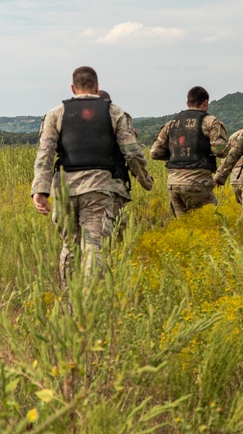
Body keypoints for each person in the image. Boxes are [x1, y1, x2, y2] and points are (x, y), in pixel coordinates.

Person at [30, 66, 154, 291]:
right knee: (92, 245)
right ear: (97, 88)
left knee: (69, 245)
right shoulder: (114, 112)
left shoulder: (56, 114)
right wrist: (144, 179)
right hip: (98, 187)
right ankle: (88, 300)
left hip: (65, 189)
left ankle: (70, 299)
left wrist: (40, 190)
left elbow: (45, 153)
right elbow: (132, 152)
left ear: (72, 87)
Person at [150, 86, 229, 217]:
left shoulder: (172, 123)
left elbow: (154, 152)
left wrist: (176, 154)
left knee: (182, 224)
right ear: (205, 102)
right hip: (198, 181)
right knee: (209, 223)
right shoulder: (210, 122)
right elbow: (220, 150)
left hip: (173, 183)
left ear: (187, 103)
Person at [97, 90, 134, 223]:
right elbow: (132, 152)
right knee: (116, 227)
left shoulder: (73, 118)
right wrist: (143, 177)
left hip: (75, 185)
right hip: (113, 181)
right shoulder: (119, 117)